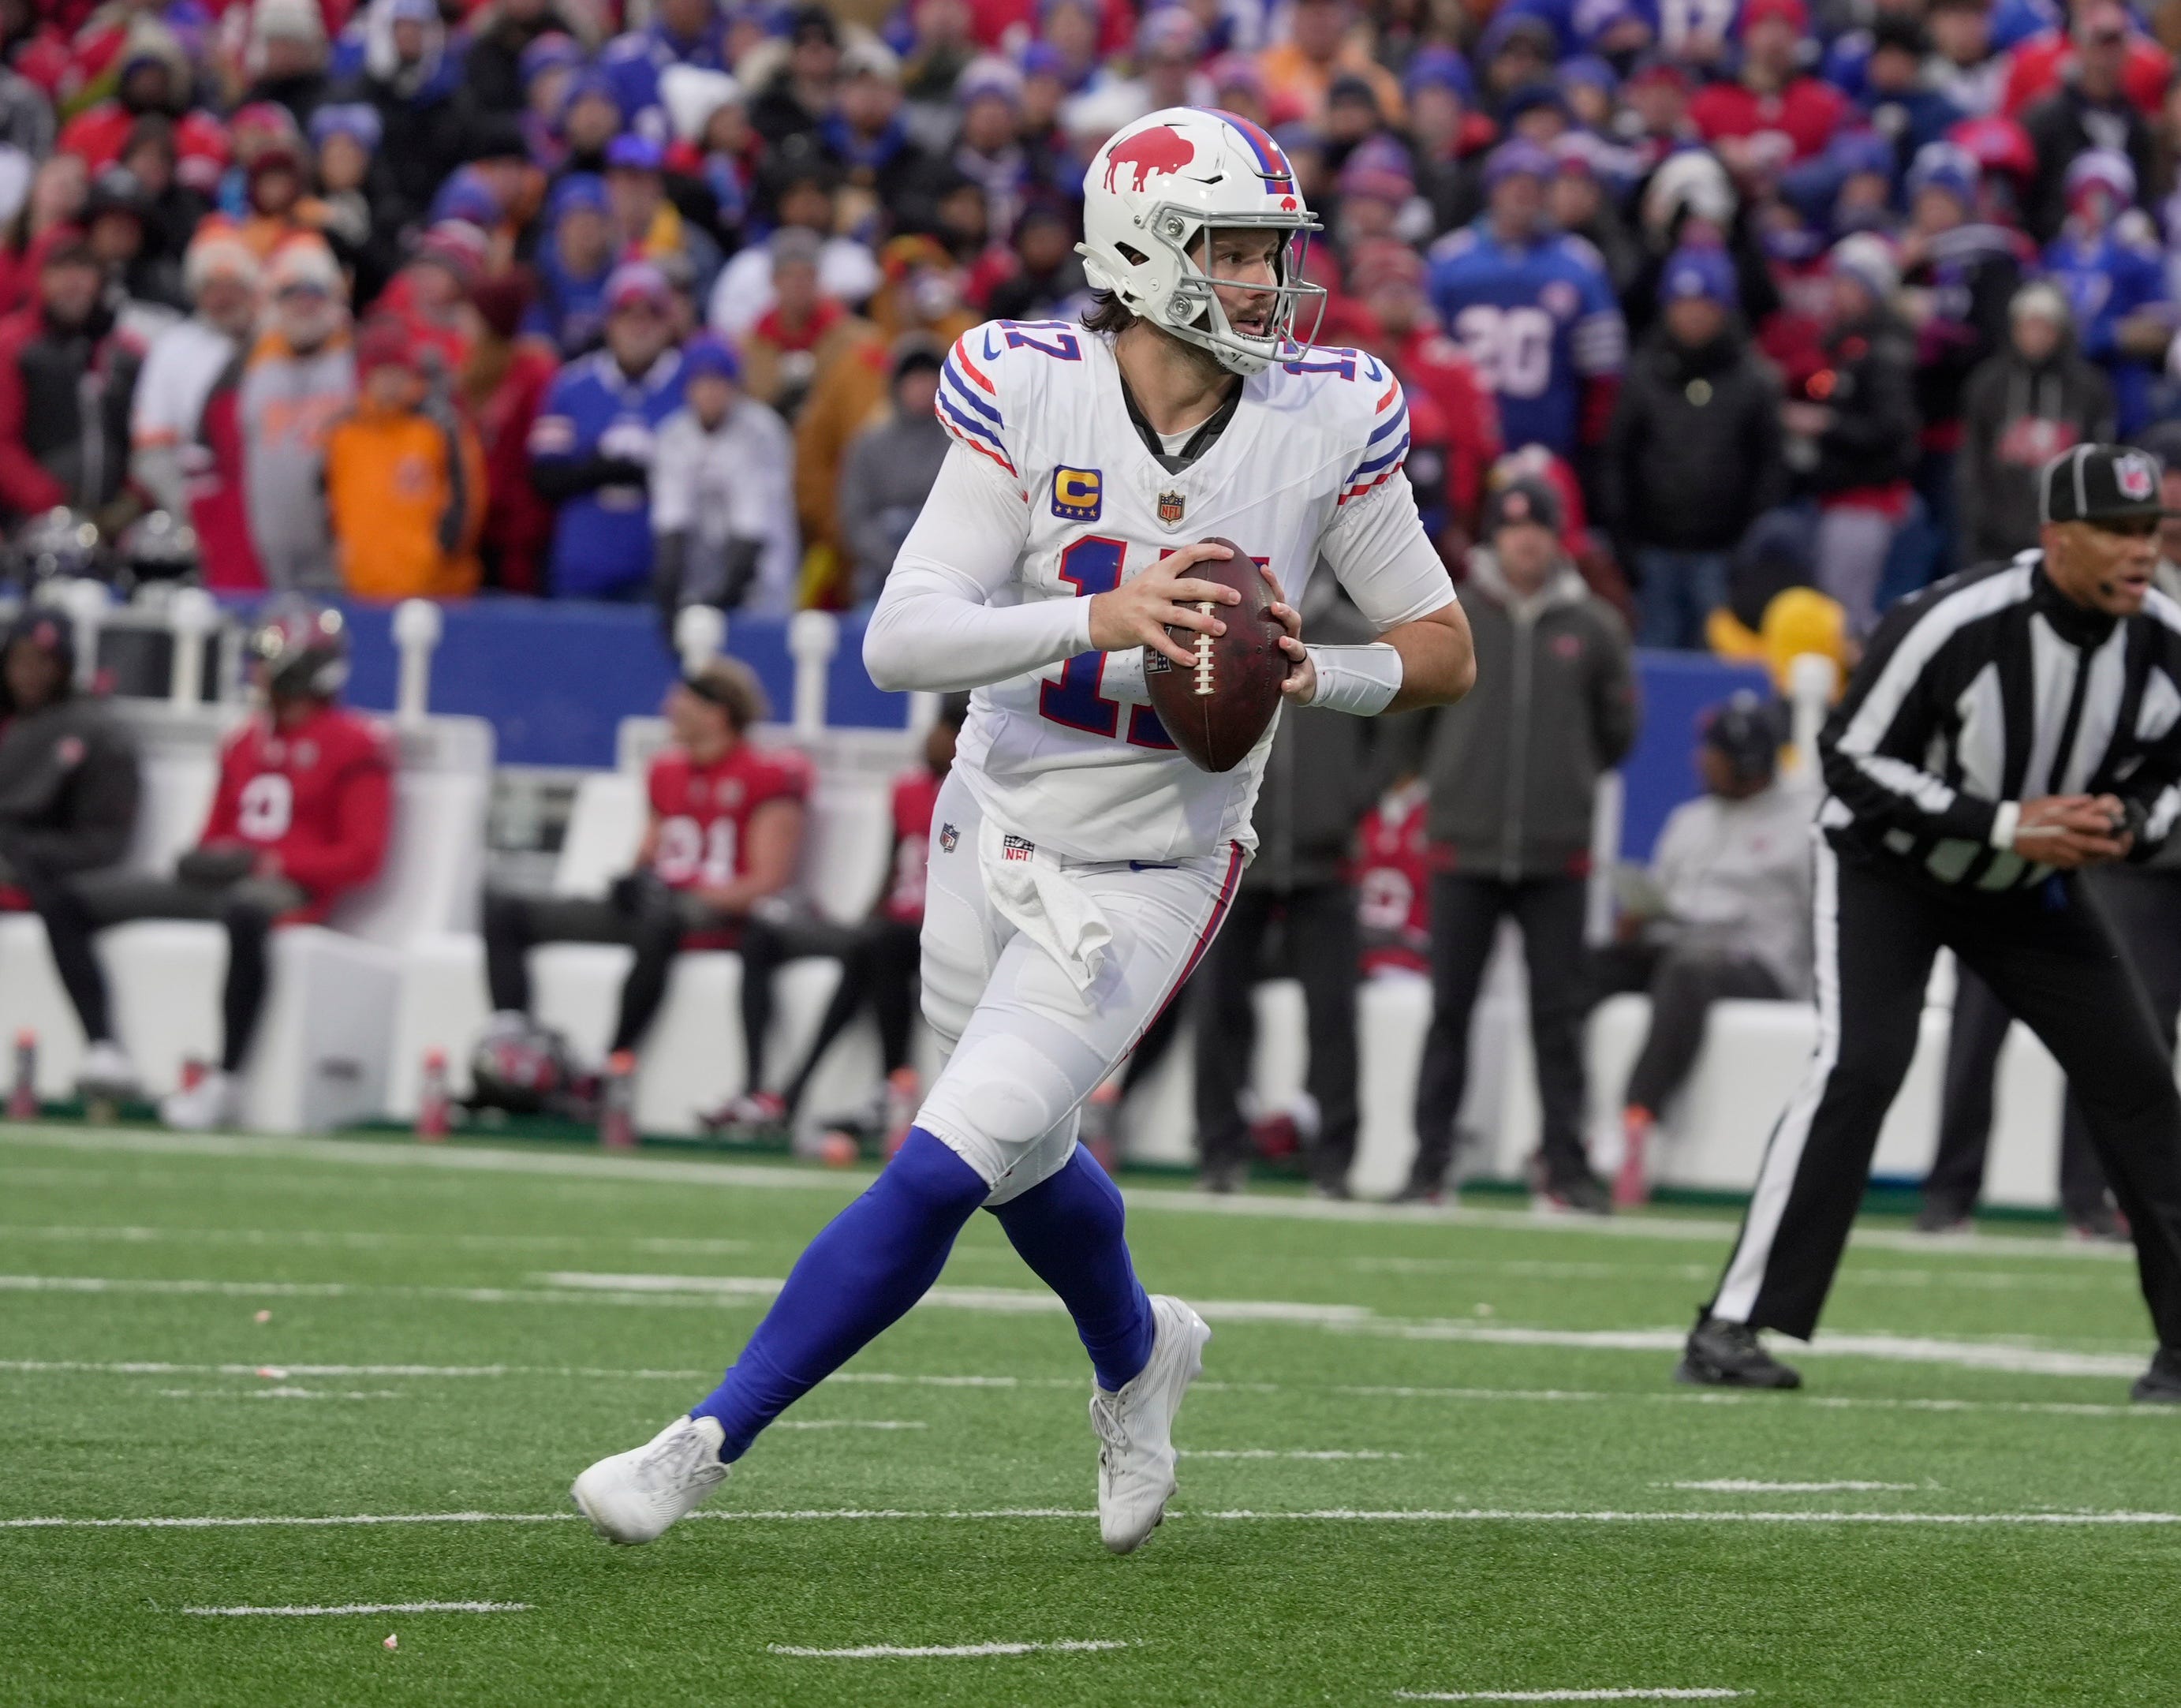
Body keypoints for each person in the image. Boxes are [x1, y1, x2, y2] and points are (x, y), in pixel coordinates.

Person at [569, 105, 1474, 1553]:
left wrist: (1326, 673)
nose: (1264, 283)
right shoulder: (1026, 383)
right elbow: (900, 641)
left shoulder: (1326, 414)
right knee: (1024, 1146)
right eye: (1231, 252)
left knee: (946, 1154)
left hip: (1157, 859)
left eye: (1270, 254)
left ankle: (701, 1442)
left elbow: (1441, 646)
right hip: (992, 817)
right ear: (1140, 251)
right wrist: (1094, 616)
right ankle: (1139, 1354)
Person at [1679, 445, 2181, 1402]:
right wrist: (2003, 821)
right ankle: (1730, 1323)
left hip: (2025, 885)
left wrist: (2125, 822)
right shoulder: (1955, 619)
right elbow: (1848, 757)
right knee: (1858, 1062)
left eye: (2149, 530)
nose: (2138, 552)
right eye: (2114, 532)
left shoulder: (2162, 638)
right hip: (1888, 867)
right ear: (2054, 538)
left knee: (2138, 1082)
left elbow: (2167, 772)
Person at [43, 601, 392, 1131]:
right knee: (68, 899)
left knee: (246, 912)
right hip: (229, 881)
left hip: (289, 888)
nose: (256, 673)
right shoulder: (243, 740)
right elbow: (213, 833)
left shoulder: (354, 744)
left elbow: (361, 855)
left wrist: (273, 860)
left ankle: (225, 1080)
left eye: (267, 661)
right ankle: (102, 1048)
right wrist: (206, 860)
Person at [1391, 474, 1635, 1211]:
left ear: (1557, 536)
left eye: (1537, 527)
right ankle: (1428, 1162)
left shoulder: (1593, 626)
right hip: (1463, 845)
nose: (1525, 540)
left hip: (1554, 853)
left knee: (1556, 1019)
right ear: (1494, 535)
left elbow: (1615, 732)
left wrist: (1562, 785)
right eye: (1512, 527)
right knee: (1448, 1012)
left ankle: (1565, 1165)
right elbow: (1411, 719)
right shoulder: (1453, 617)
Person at [478, 660, 809, 1123]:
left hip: (714, 913)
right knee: (506, 910)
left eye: (683, 700)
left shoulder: (767, 774)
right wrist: (631, 884)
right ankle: (516, 1044)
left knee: (660, 922)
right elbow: (650, 853)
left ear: (717, 713)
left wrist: (681, 898)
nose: (668, 708)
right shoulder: (665, 771)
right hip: (659, 908)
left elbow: (767, 880)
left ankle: (609, 1064)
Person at [1193, 580, 1383, 1198]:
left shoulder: (1355, 636)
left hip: (1322, 854)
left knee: (1332, 1013)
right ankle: (1219, 1150)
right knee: (1220, 1006)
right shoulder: (1225, 624)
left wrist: (1348, 799)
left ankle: (1334, 1159)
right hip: (1234, 849)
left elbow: (1396, 730)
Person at [1591, 693, 1814, 1206]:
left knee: (1688, 970)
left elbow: (1818, 915)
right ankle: (1564, 1128)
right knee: (1590, 966)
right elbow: (1666, 896)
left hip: (1754, 963)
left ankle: (1636, 1120)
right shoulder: (1689, 819)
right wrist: (1638, 919)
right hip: (1677, 943)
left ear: (1749, 762)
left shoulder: (1801, 826)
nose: (1701, 760)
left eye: (1713, 752)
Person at [760, 701, 966, 1156]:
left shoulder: (983, 794)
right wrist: (869, 914)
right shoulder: (908, 790)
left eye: (942, 728)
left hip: (950, 928)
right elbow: (894, 865)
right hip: (902, 923)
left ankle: (880, 1084)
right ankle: (865, 1089)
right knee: (867, 944)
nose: (929, 739)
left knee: (881, 944)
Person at [1604, 244, 1786, 649]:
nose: (1693, 315)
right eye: (1683, 303)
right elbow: (1617, 458)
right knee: (1655, 655)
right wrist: (1625, 540)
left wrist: (1748, 542)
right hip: (1654, 548)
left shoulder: (1753, 379)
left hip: (1722, 552)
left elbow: (1769, 465)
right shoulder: (1643, 374)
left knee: (1719, 653)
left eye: (1704, 303)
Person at [0, 611, 140, 1096]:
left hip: (59, 866)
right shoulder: (15, 725)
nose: (30, 674)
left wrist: (25, 853)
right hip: (20, 860)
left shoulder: (92, 730)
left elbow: (103, 837)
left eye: (43, 662)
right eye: (20, 661)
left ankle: (103, 1045)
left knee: (63, 905)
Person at [1426, 140, 1625, 479]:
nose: (1523, 194)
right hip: (1465, 446)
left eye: (1534, 186)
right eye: (1513, 184)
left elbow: (1603, 369)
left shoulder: (1578, 262)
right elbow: (1426, 356)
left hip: (1550, 445)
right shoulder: (1449, 260)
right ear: (1493, 190)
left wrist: (1589, 444)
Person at [530, 262, 689, 601]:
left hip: (664, 571)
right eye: (627, 315)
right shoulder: (570, 386)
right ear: (608, 322)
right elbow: (545, 478)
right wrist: (598, 472)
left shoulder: (691, 386)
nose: (639, 327)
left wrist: (653, 474)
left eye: (651, 315)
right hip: (584, 566)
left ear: (668, 324)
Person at [1790, 236, 1920, 635]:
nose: (1838, 293)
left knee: (1846, 613)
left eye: (1849, 284)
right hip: (1839, 496)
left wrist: (1826, 425)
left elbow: (1892, 430)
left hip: (1866, 501)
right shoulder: (1847, 346)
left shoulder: (1881, 352)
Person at [323, 317, 485, 601]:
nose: (390, 381)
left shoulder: (438, 424)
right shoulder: (344, 431)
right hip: (363, 585)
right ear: (366, 376)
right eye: (381, 371)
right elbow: (327, 497)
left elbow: (467, 495)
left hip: (434, 589)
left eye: (397, 370)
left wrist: (442, 549)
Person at [0, 234, 151, 531]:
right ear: (38, 278)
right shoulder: (11, 348)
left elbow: (148, 437)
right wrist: (54, 503)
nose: (73, 281)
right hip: (33, 524)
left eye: (84, 268)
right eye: (60, 269)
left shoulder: (126, 352)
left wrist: (133, 498)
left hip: (116, 523)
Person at [1955, 282, 2114, 566]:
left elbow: (2096, 459)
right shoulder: (1989, 384)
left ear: (2061, 331)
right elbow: (1973, 458)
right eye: (2028, 325)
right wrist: (1978, 517)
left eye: (2045, 327)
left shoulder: (2087, 387)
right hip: (1996, 533)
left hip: (2063, 531)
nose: (2036, 336)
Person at [650, 331, 797, 622]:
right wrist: (671, 597)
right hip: (700, 573)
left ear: (734, 386)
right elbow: (671, 522)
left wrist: (723, 599)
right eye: (701, 381)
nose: (710, 392)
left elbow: (754, 525)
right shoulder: (672, 436)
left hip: (762, 576)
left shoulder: (762, 431)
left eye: (719, 381)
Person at [240, 235, 354, 592]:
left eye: (314, 293)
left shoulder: (356, 363)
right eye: (292, 294)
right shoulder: (258, 368)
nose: (304, 305)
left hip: (343, 552)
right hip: (274, 552)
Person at [835, 338, 947, 605]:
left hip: (947, 565)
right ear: (897, 385)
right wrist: (894, 563)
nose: (922, 387)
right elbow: (855, 518)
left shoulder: (961, 441)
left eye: (928, 378)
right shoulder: (869, 444)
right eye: (914, 379)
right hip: (883, 572)